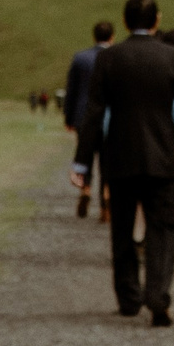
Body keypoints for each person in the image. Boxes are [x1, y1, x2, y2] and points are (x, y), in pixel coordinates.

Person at [71, 0, 174, 326]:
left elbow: (94, 112)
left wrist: (82, 164)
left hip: (118, 154)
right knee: (162, 228)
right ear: (157, 20)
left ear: (124, 21)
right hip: (161, 155)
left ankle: (129, 298)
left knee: (121, 229)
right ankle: (158, 295)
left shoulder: (109, 59)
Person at [62, 19, 114, 218]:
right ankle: (106, 199)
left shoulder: (80, 58)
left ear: (94, 36)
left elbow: (72, 90)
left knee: (86, 154)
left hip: (84, 114)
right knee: (107, 160)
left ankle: (86, 190)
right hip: (110, 116)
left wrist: (68, 116)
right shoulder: (115, 57)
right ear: (112, 37)